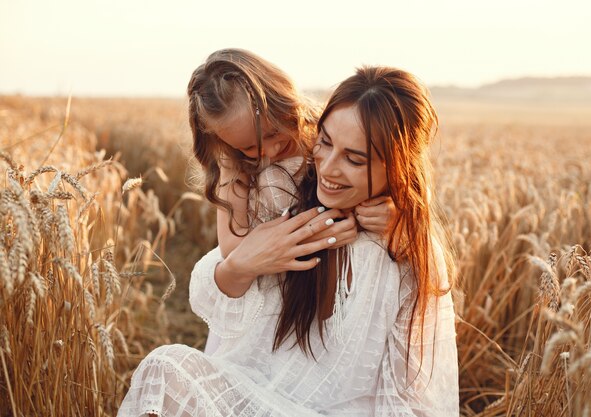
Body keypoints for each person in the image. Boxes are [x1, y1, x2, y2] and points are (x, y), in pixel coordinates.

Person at [118, 66, 458, 416]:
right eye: (324, 142)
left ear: (398, 168)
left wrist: (408, 217)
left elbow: (413, 398)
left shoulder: (405, 249)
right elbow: (217, 293)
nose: (326, 168)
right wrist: (244, 263)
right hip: (265, 394)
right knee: (163, 368)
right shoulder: (287, 190)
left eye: (354, 159)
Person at [186, 48, 396, 355]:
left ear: (284, 98)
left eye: (273, 132)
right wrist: (319, 231)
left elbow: (378, 177)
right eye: (249, 147)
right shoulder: (233, 167)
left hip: (331, 301)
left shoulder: (324, 140)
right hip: (266, 309)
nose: (270, 151)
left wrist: (392, 210)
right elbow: (232, 249)